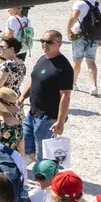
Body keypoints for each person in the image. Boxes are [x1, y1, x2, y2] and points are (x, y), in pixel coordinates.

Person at [19, 30, 73, 162]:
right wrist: (22, 97)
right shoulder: (43, 59)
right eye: (42, 41)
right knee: (26, 147)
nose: (44, 44)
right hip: (32, 114)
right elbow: (34, 80)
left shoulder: (63, 67)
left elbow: (65, 95)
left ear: (59, 44)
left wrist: (60, 121)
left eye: (49, 41)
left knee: (43, 153)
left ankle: (45, 178)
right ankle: (39, 169)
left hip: (47, 118)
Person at [66, 0, 101, 96]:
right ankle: (94, 86)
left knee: (76, 60)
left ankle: (73, 83)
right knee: (91, 61)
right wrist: (100, 36)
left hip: (80, 35)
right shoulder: (99, 5)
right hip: (94, 36)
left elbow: (74, 16)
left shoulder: (79, 3)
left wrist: (68, 29)